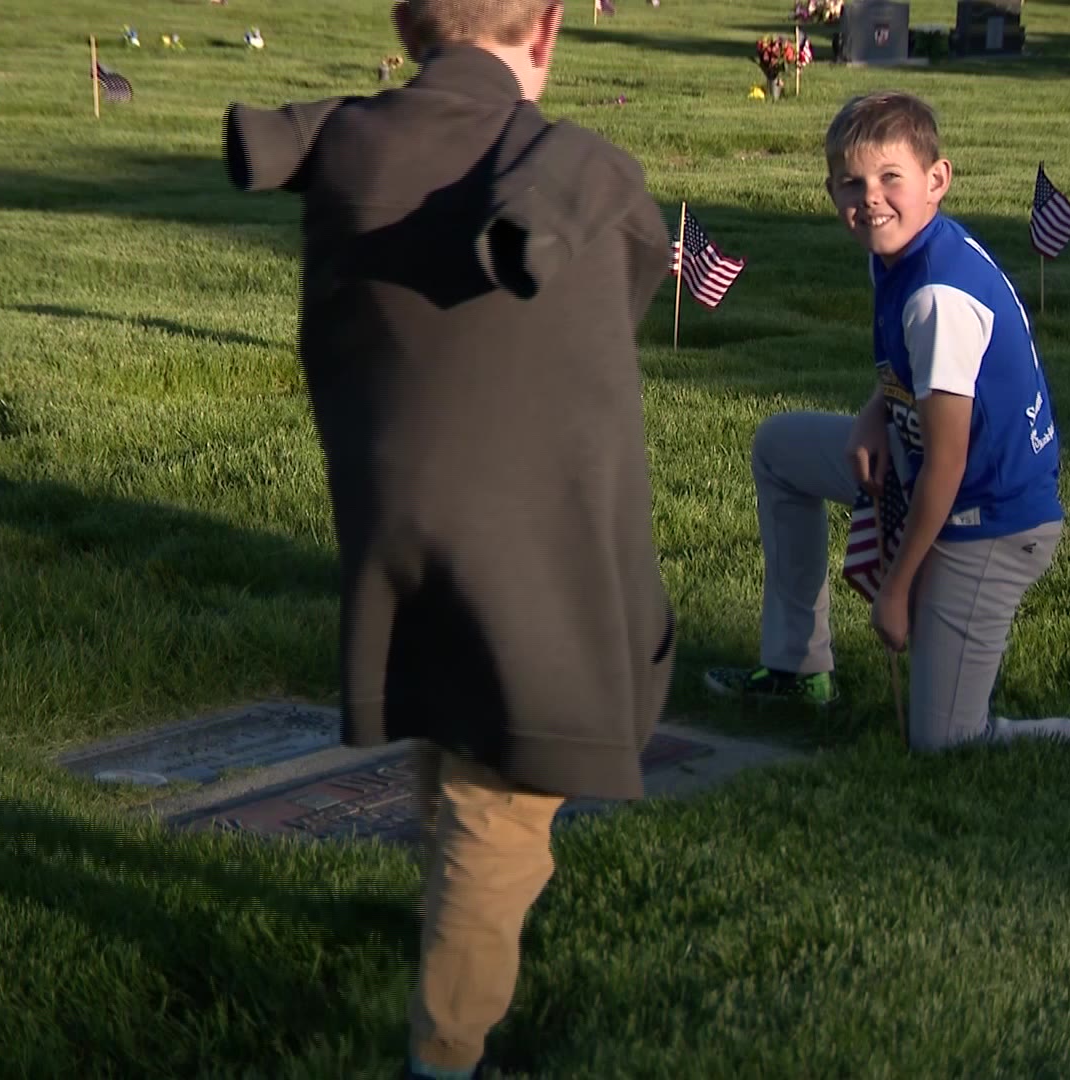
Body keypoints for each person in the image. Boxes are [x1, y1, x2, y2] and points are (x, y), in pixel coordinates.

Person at [222, 3, 676, 1077]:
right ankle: (447, 1054)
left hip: (393, 517)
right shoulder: (582, 169)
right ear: (551, 27)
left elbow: (298, 143)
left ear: (406, 21)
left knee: (448, 721)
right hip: (521, 547)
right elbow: (627, 275)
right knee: (500, 804)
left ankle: (445, 932)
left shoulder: (351, 141)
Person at [703, 90, 1070, 751]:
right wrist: (875, 411)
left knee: (946, 740)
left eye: (890, 178)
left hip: (990, 517)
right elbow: (919, 381)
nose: (870, 198)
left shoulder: (936, 296)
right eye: (851, 183)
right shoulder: (897, 248)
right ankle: (795, 669)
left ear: (937, 180)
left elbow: (949, 465)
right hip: (925, 461)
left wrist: (895, 590)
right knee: (780, 448)